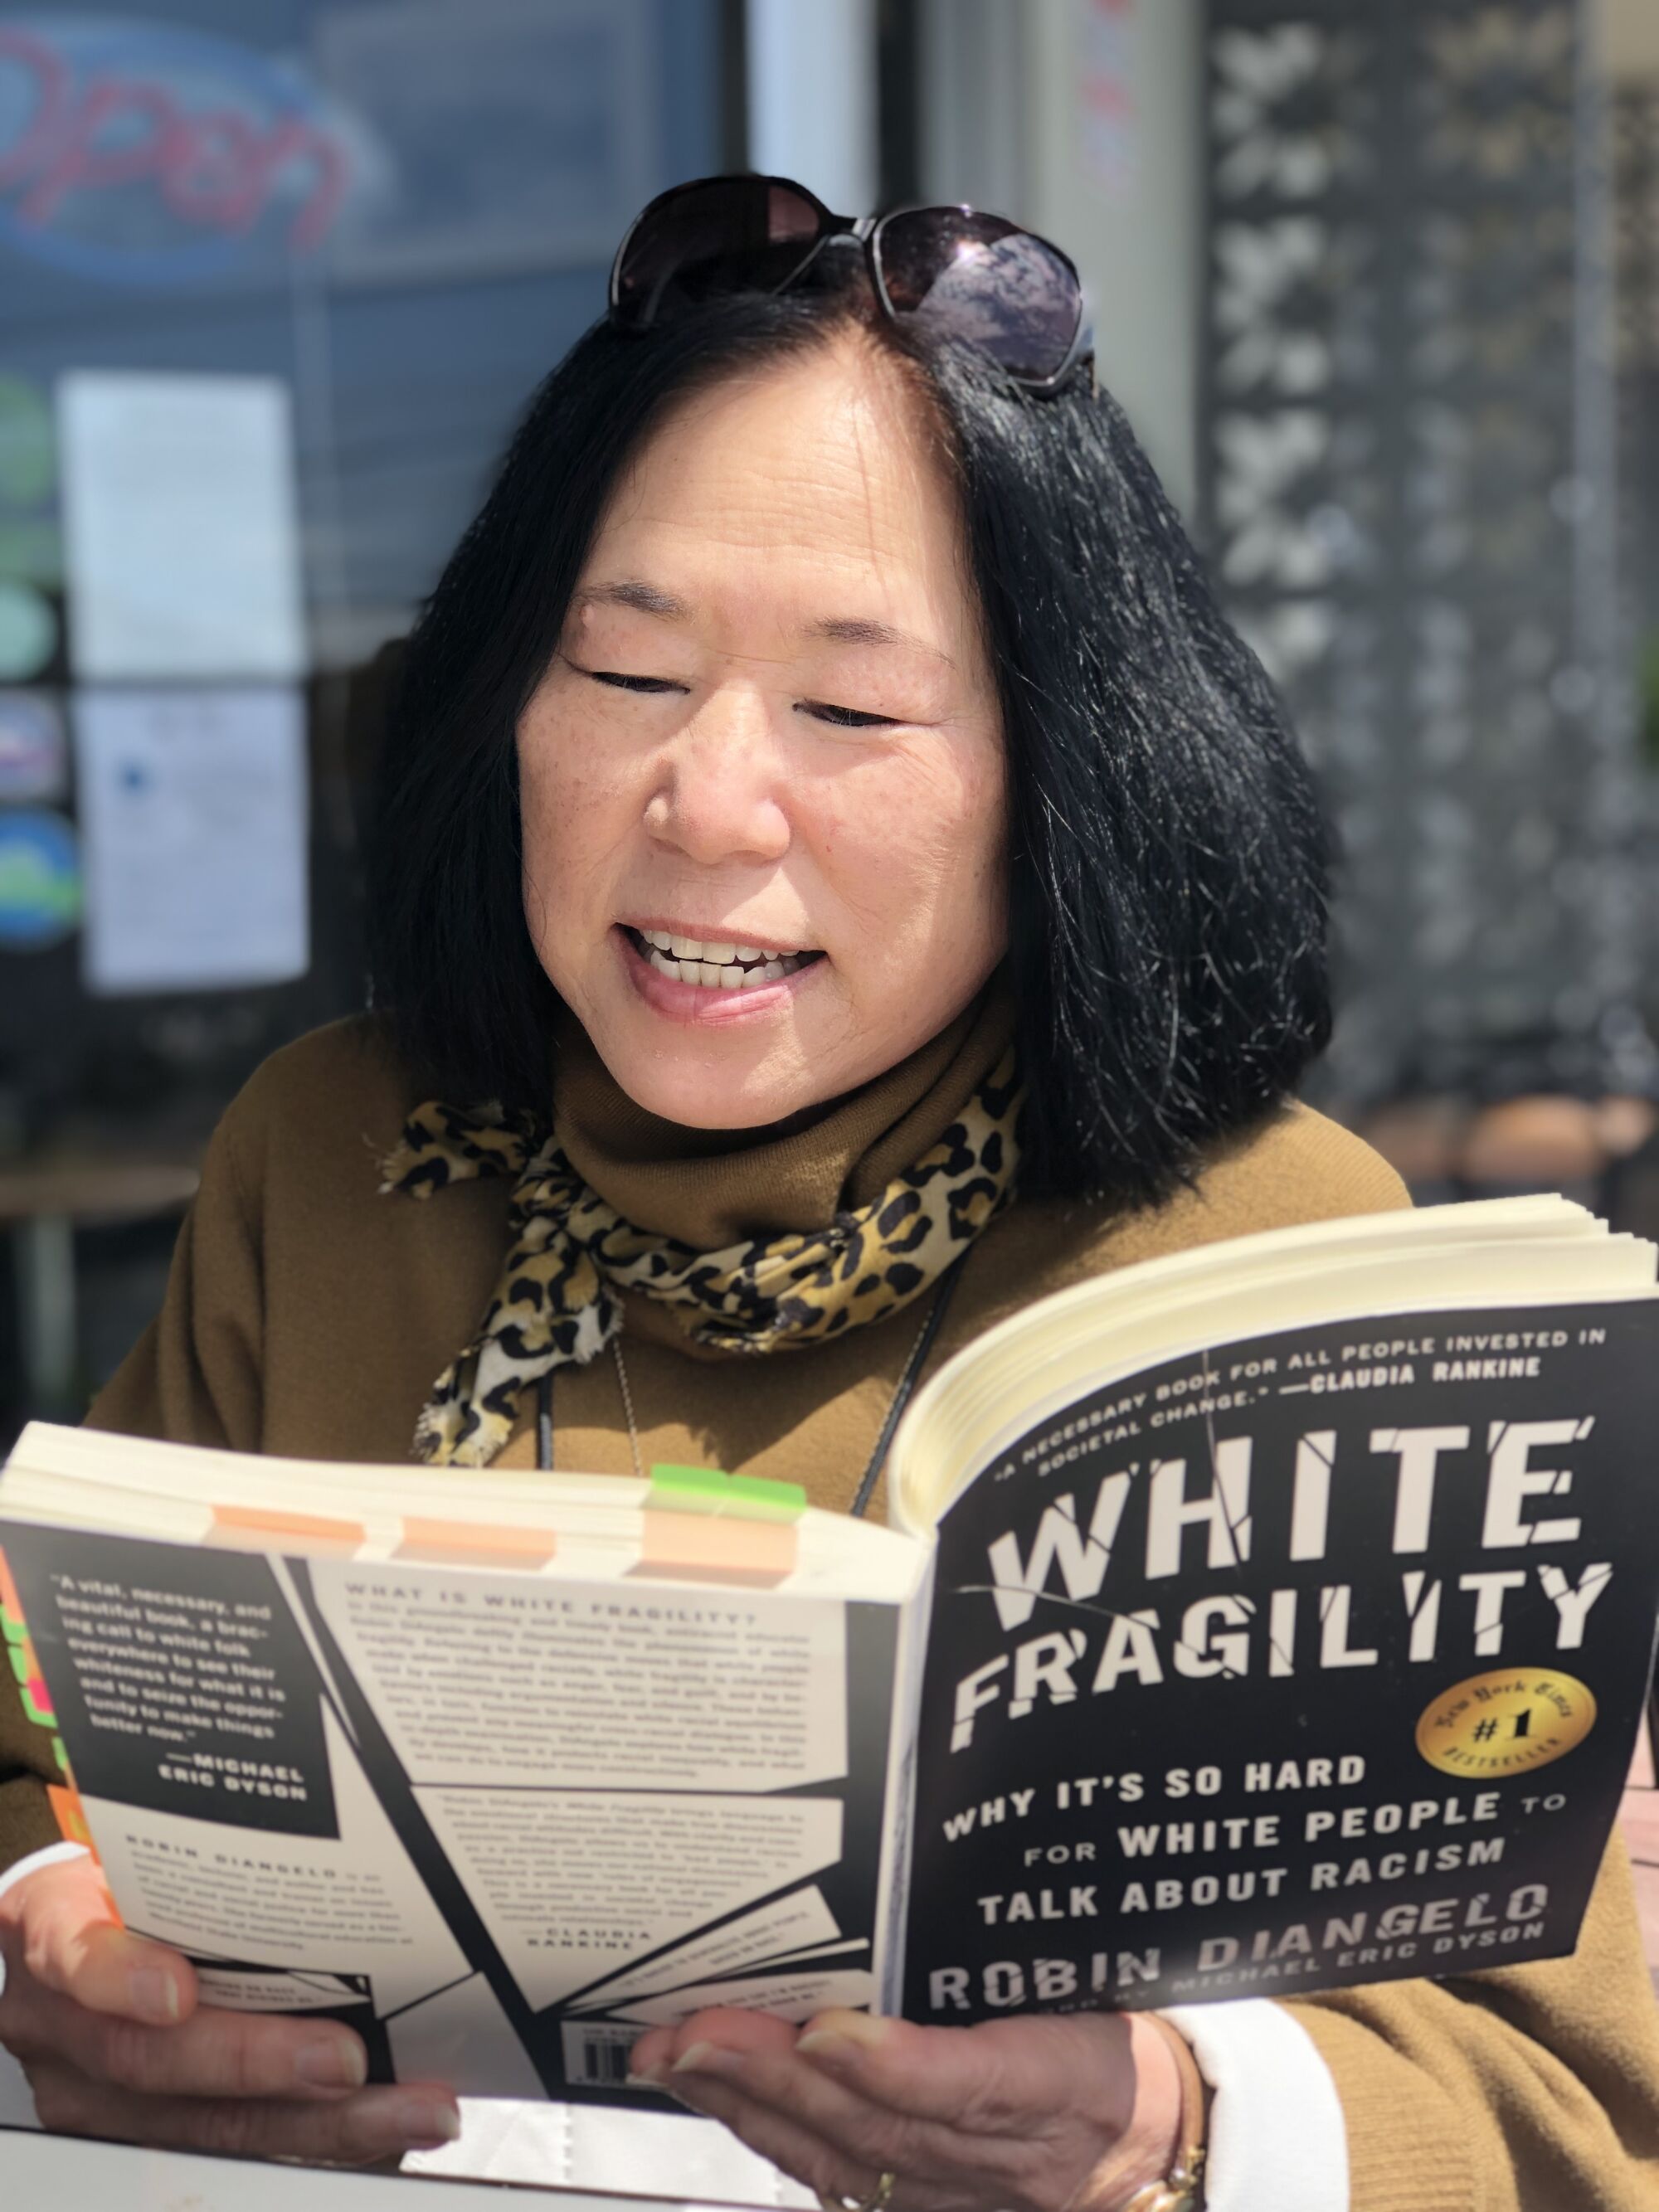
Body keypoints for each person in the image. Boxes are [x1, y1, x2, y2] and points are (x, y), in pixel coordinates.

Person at [2, 173, 1656, 2212]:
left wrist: (1165, 2118)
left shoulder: (1274, 1248)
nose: (703, 801)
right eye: (622, 676)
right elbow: (46, 1747)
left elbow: (1563, 2105)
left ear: (1067, 768)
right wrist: (59, 1929)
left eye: (851, 708)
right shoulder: (335, 1160)